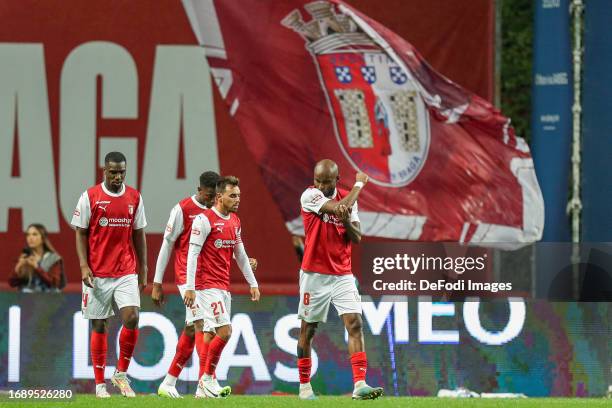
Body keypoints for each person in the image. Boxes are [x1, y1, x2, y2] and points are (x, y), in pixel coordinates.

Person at [153, 171, 257, 398]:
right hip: (189, 279)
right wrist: (157, 281)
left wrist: (244, 265)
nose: (212, 200)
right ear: (201, 191)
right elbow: (167, 245)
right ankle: (206, 381)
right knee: (201, 325)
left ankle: (170, 382)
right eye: (210, 196)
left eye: (215, 196)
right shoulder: (183, 210)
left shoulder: (223, 216)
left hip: (211, 278)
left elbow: (219, 247)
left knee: (194, 328)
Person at [296, 159, 383, 400]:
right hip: (314, 274)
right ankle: (304, 386)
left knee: (355, 324)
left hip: (342, 274)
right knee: (308, 330)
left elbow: (356, 238)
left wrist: (346, 219)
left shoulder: (347, 199)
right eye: (318, 180)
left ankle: (359, 385)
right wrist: (358, 185)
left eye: (326, 181)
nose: (321, 185)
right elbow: (336, 208)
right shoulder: (309, 196)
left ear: (337, 179)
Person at [71, 151, 147, 398]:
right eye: (113, 172)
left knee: (132, 318)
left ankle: (121, 374)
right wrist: (84, 266)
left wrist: (143, 267)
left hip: (125, 269)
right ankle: (100, 384)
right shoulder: (90, 196)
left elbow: (139, 233)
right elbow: (80, 232)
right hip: (97, 272)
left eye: (122, 172)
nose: (117, 176)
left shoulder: (134, 197)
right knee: (99, 324)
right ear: (104, 170)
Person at [186, 176, 260, 398]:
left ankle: (203, 386)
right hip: (205, 286)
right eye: (232, 195)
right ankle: (208, 378)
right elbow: (192, 254)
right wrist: (189, 287)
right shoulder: (204, 220)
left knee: (209, 334)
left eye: (238, 195)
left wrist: (253, 283)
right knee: (225, 331)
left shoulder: (235, 221)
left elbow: (241, 255)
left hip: (222, 287)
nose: (237, 199)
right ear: (219, 197)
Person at [9, 223, 65, 292]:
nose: (30, 238)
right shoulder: (25, 257)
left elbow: (55, 284)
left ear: (43, 238)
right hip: (28, 298)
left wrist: (37, 267)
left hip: (48, 297)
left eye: (34, 234)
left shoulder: (53, 258)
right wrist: (18, 267)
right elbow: (12, 283)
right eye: (28, 235)